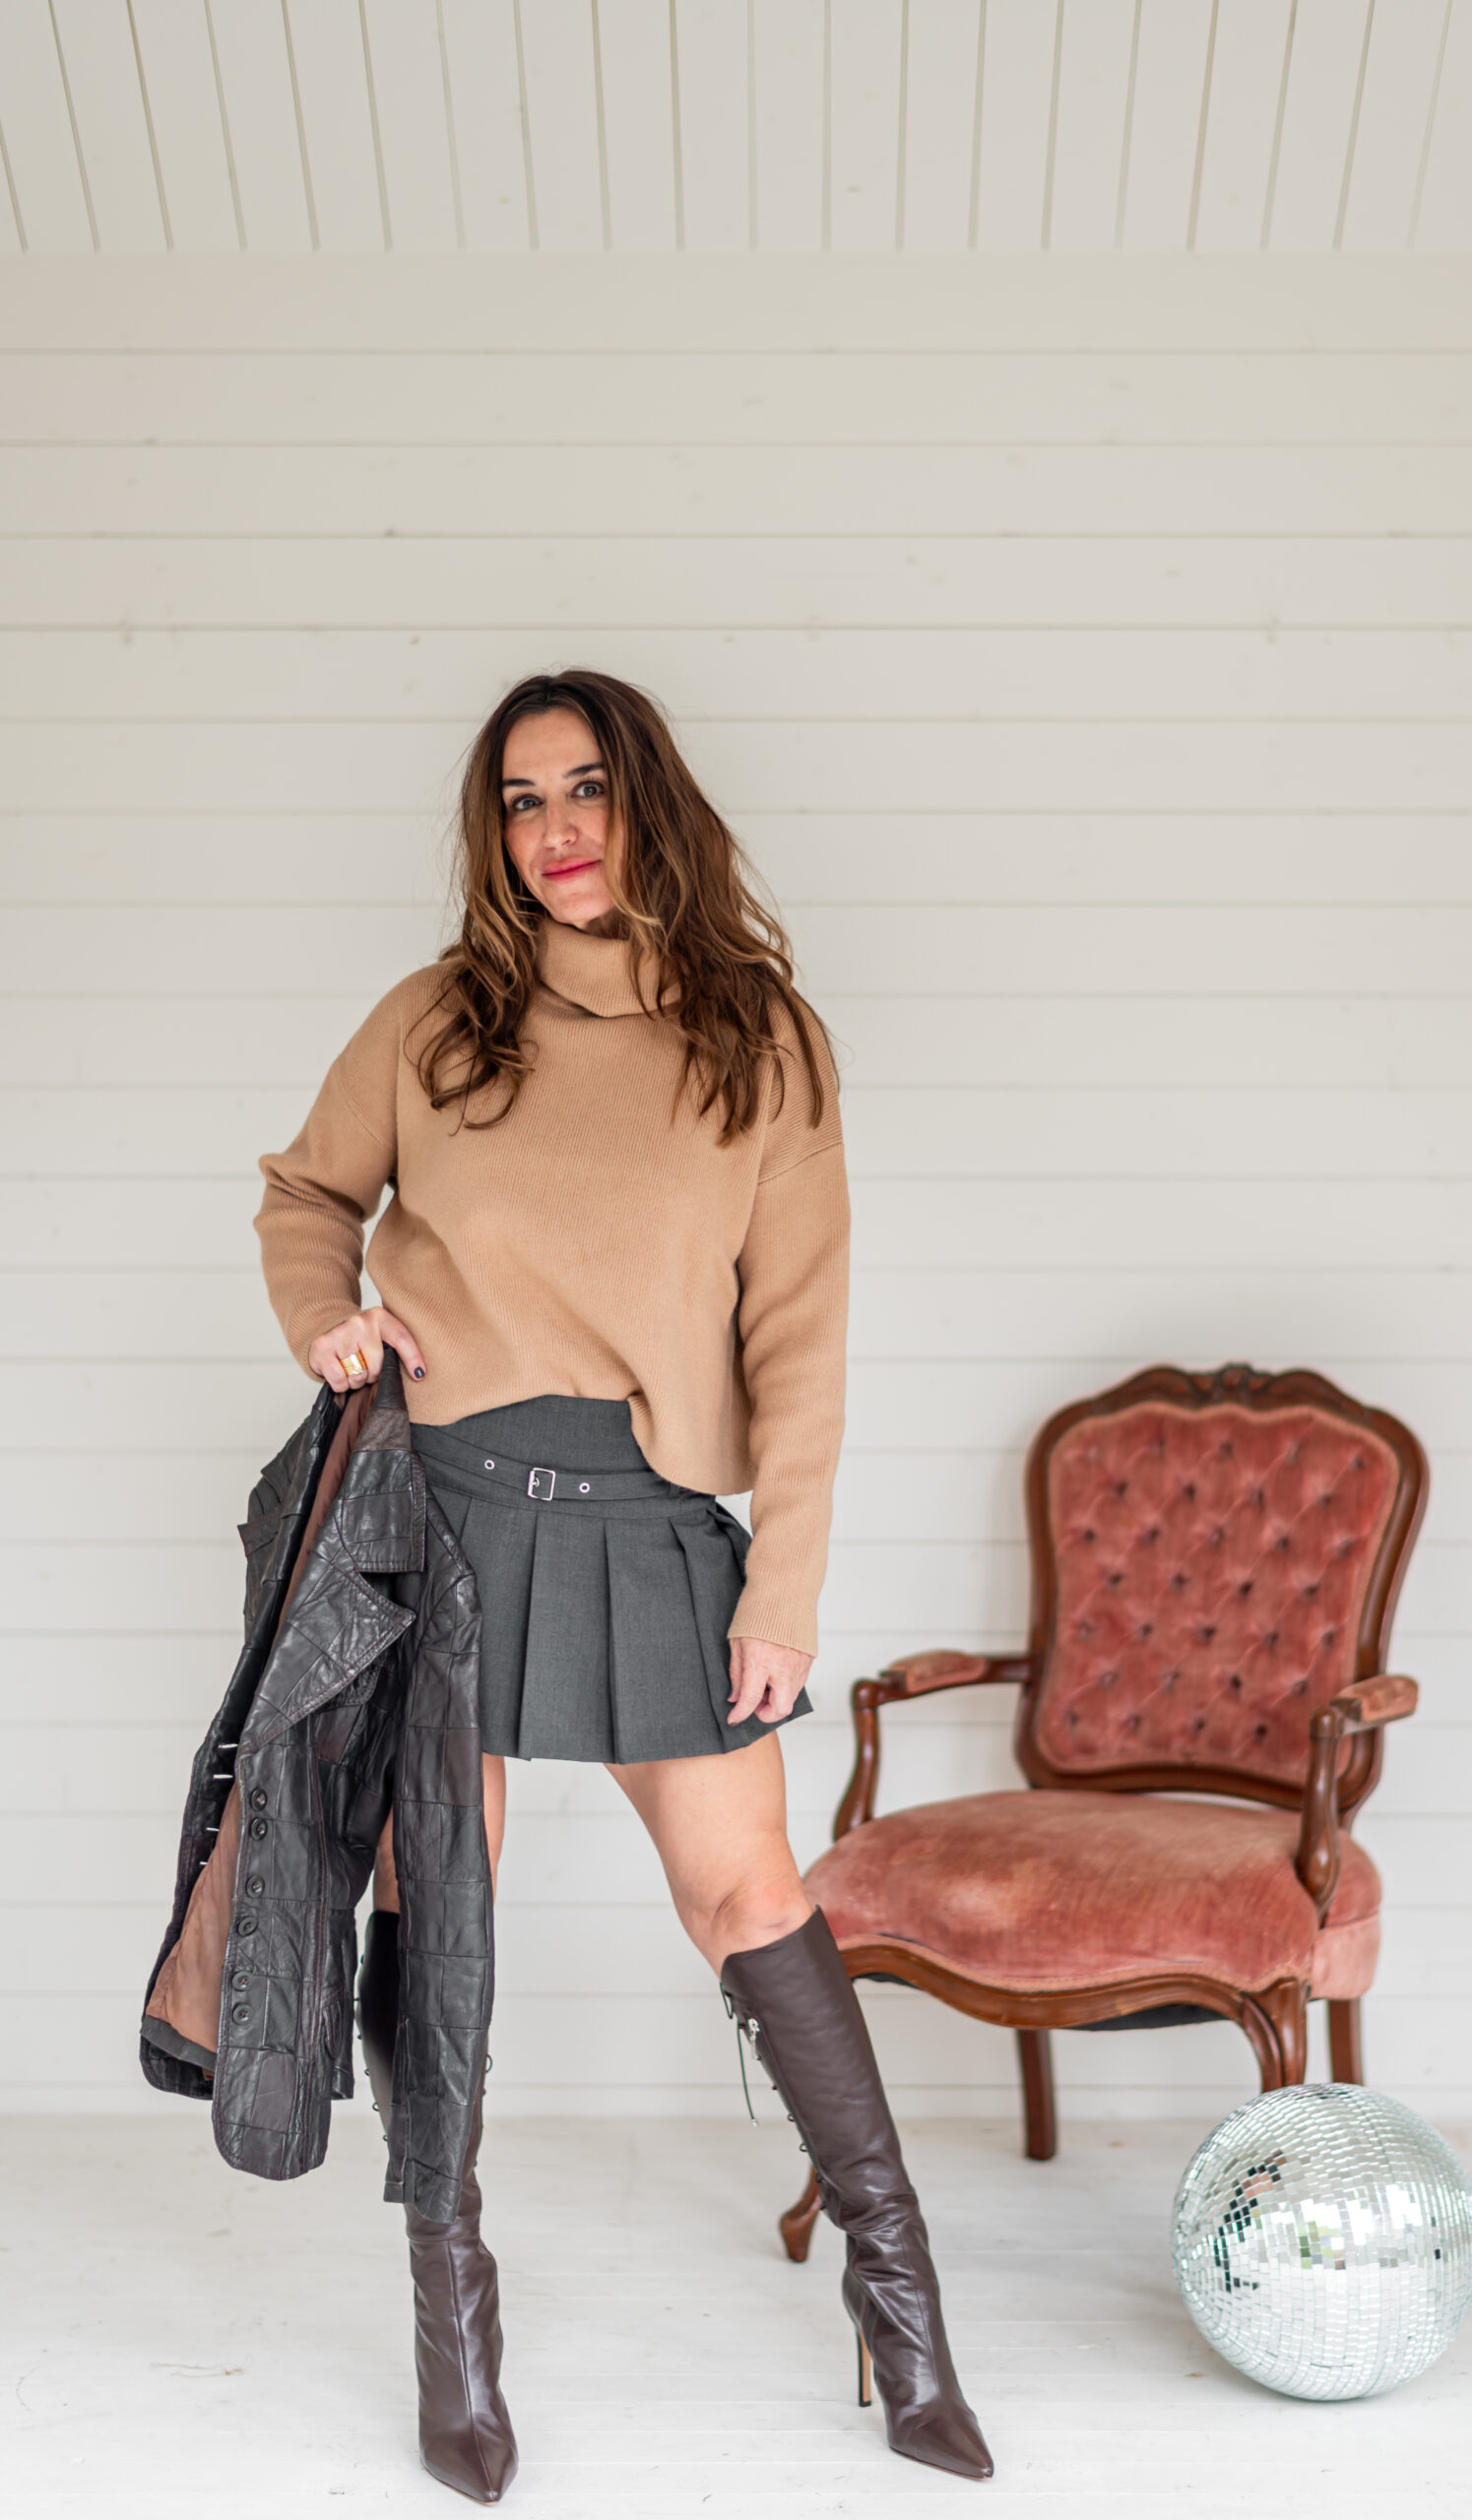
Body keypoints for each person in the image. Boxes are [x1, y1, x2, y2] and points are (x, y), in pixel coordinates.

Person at [255, 671, 992, 2502]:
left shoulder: (765, 1040)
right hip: (441, 1517)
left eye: (588, 789)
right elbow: (301, 1196)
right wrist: (328, 1326)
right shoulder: (440, 1020)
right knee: (447, 1910)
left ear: (651, 803)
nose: (557, 829)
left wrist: (785, 1588)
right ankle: (455, 2318)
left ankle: (904, 2317)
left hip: (653, 1520)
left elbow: (802, 1339)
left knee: (749, 1895)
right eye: (520, 801)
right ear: (493, 833)